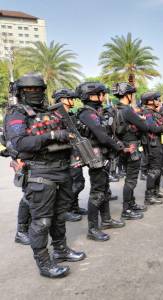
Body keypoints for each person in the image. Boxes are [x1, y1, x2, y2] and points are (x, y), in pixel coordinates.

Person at [4, 73, 86, 278]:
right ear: (20, 93)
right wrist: (51, 135)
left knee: (59, 216)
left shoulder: (53, 112)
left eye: (38, 89)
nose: (34, 93)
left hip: (62, 169)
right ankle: (44, 262)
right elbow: (20, 143)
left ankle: (61, 249)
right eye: (28, 90)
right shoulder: (17, 114)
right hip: (40, 172)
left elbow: (70, 136)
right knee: (42, 221)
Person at [77, 82, 125, 242]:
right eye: (101, 94)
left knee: (104, 190)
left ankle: (106, 220)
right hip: (95, 157)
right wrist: (118, 146)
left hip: (103, 156)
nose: (104, 97)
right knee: (97, 192)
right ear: (92, 96)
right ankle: (92, 229)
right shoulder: (86, 113)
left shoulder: (94, 112)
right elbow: (102, 136)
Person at [112, 82, 151, 220]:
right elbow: (144, 127)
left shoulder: (116, 108)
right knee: (131, 180)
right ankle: (126, 210)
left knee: (130, 178)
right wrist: (141, 119)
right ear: (127, 95)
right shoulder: (127, 110)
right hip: (132, 147)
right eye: (132, 94)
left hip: (123, 146)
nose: (133, 97)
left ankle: (131, 204)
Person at [52, 88, 87, 223]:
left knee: (78, 182)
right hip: (64, 155)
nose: (72, 101)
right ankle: (65, 210)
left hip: (75, 152)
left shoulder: (70, 115)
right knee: (72, 184)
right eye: (70, 98)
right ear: (62, 100)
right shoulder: (55, 116)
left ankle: (73, 206)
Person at [140, 92, 163, 204]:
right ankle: (149, 196)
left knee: (158, 169)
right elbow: (152, 128)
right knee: (154, 170)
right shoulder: (147, 113)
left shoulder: (154, 112)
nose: (159, 101)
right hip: (152, 145)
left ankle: (156, 191)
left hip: (157, 143)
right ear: (150, 101)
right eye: (157, 99)